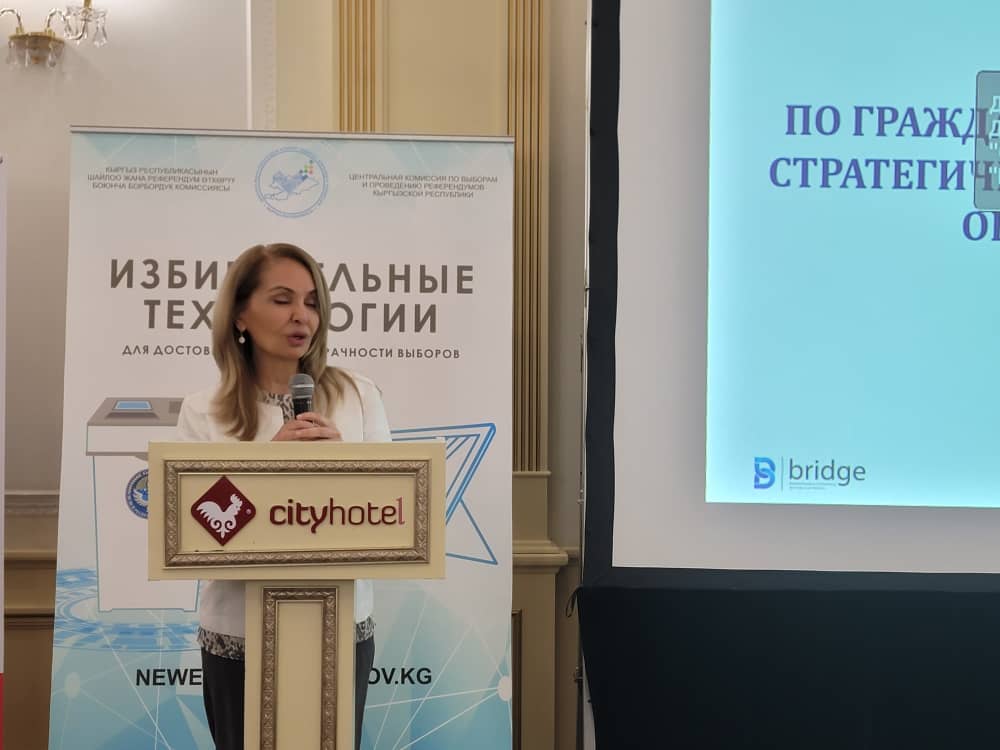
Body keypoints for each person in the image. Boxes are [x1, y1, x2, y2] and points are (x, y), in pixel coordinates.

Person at [176, 242, 389, 750]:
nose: (301, 316)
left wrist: (346, 466)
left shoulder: (357, 396)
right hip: (239, 634)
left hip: (339, 627)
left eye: (312, 302)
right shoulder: (204, 411)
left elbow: (393, 511)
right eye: (282, 299)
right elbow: (195, 531)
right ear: (240, 315)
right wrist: (267, 466)